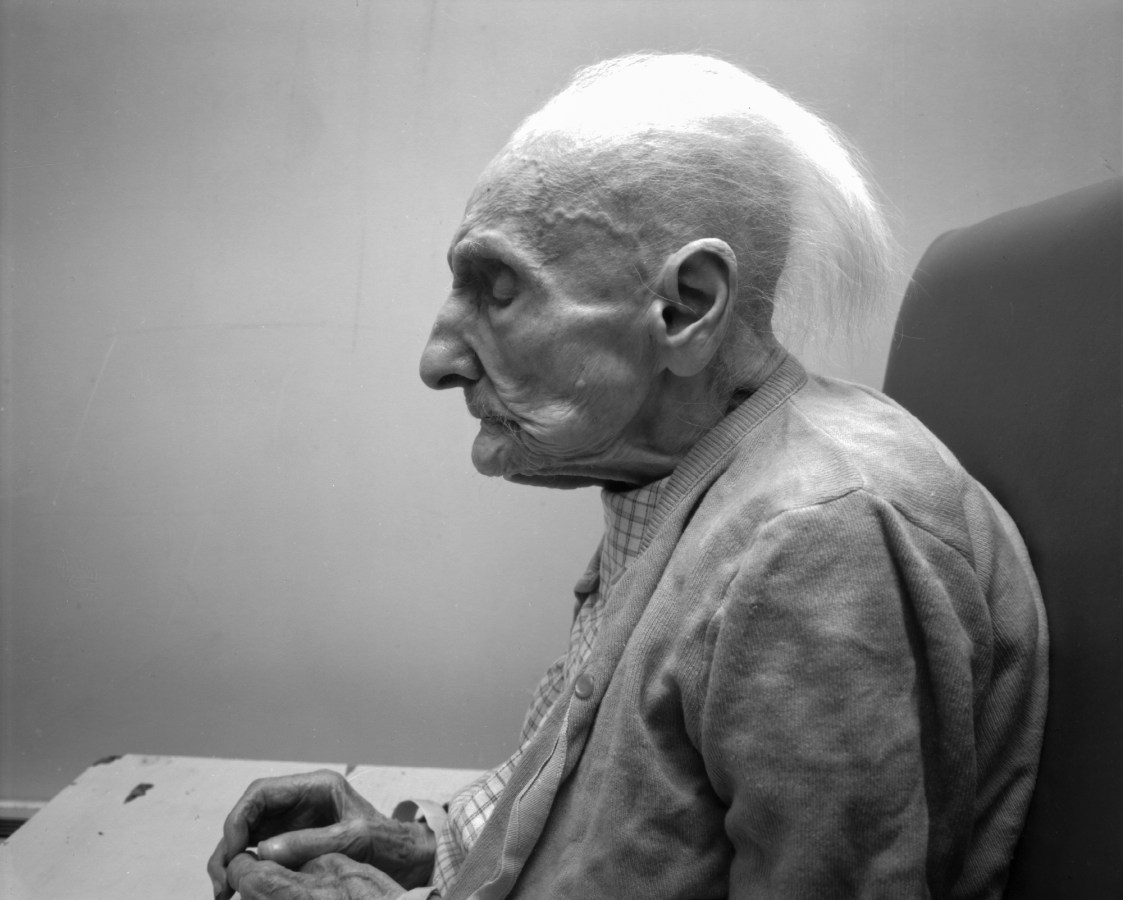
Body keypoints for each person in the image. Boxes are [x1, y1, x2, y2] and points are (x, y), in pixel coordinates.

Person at [207, 53, 1047, 899]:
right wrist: (423, 848)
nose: (436, 360)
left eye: (497, 290)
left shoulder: (814, 543)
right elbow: (643, 823)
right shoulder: (698, 481)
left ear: (686, 306)